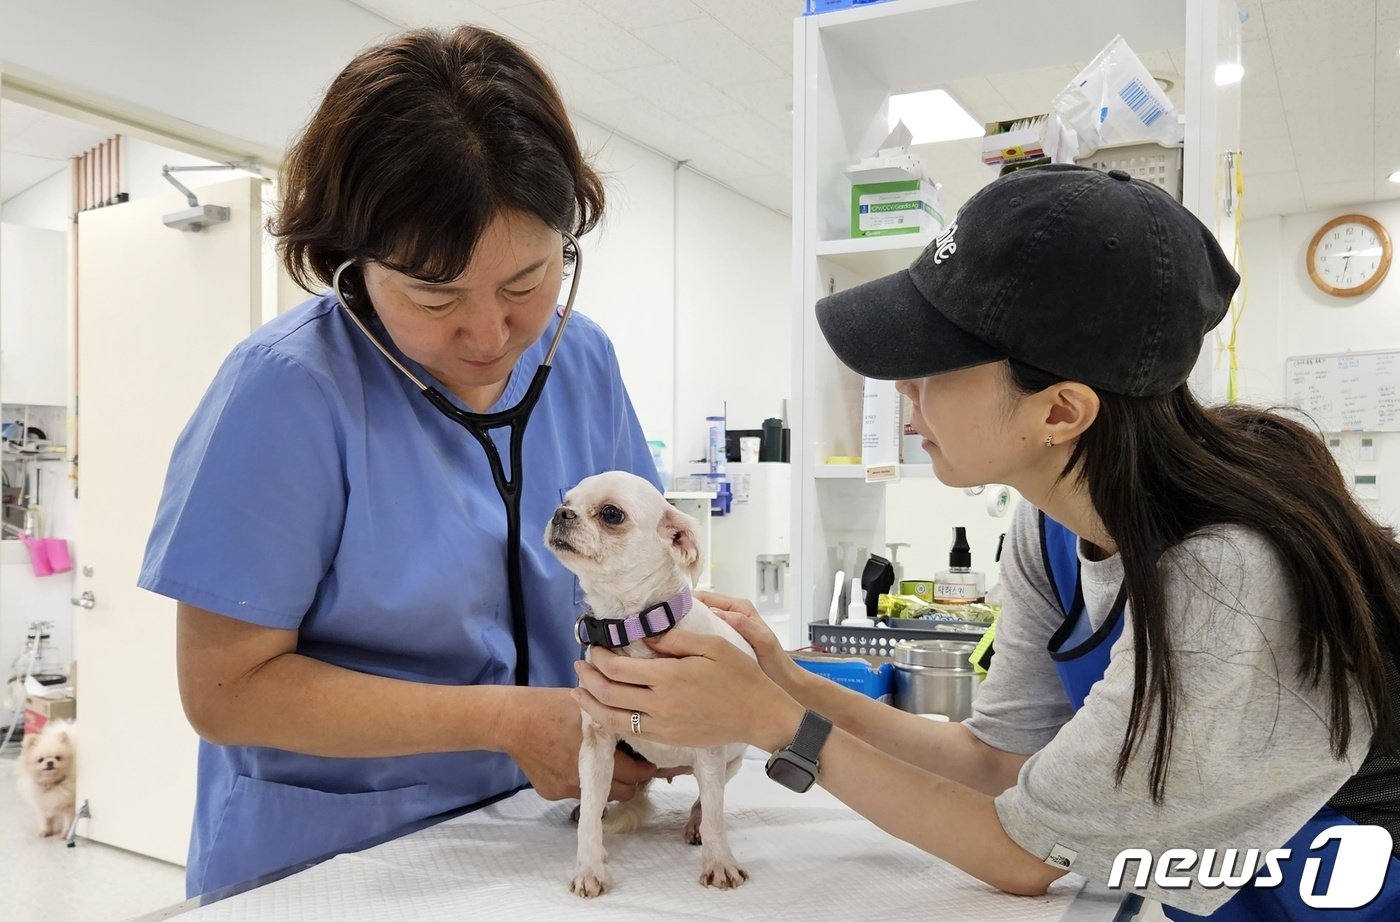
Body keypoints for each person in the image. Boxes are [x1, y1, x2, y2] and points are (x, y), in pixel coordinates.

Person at [574, 164, 1400, 920]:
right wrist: (790, 685)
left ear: (1060, 412)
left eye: (931, 365)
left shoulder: (1224, 578)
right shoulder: (1049, 526)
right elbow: (999, 761)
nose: (902, 392)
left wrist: (780, 728)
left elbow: (1022, 853)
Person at [139, 26, 663, 896]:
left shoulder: (584, 363)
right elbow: (226, 689)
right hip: (331, 861)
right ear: (352, 261)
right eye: (434, 295)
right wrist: (504, 722)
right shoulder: (284, 394)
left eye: (526, 283)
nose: (490, 335)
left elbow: (642, 578)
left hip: (546, 833)